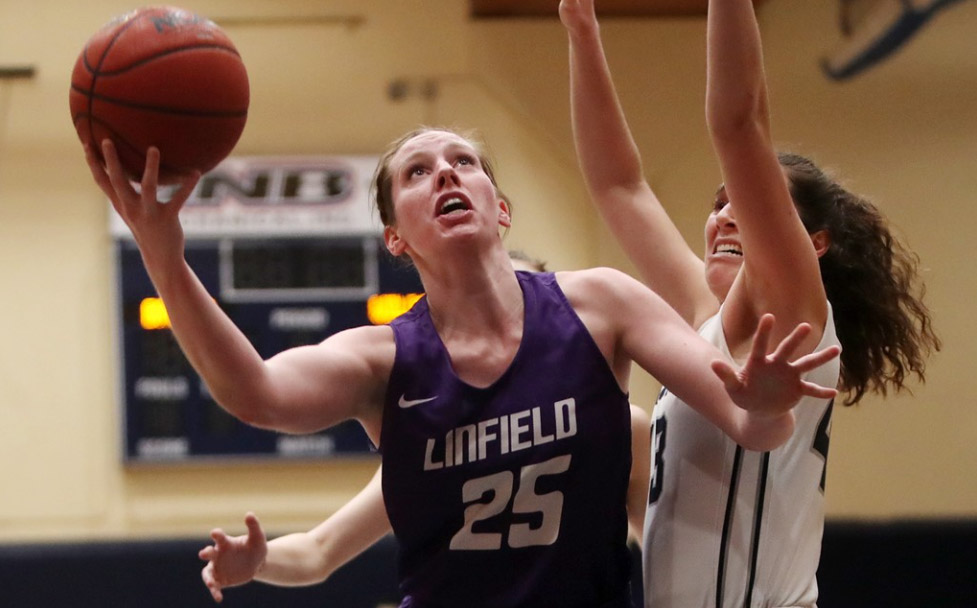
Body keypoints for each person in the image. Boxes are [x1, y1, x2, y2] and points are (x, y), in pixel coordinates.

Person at [84, 125, 838, 607]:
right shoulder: (383, 358)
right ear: (395, 239)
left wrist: (768, 400)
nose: (444, 174)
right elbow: (255, 394)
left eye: (463, 162)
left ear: (499, 207)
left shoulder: (602, 304)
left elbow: (750, 424)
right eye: (416, 172)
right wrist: (163, 256)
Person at [558, 0, 940, 606]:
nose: (726, 214)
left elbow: (740, 124)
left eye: (747, 201)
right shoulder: (699, 321)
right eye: (716, 204)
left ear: (810, 245)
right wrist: (582, 33)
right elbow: (617, 186)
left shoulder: (796, 315)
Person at [197, 251, 653, 603]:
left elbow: (665, 547)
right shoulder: (432, 446)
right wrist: (260, 562)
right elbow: (319, 550)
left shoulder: (619, 428)